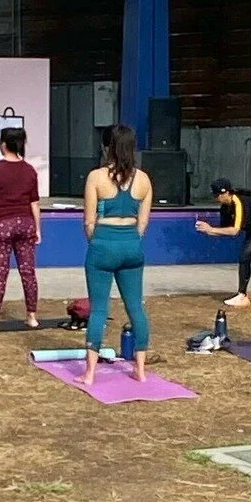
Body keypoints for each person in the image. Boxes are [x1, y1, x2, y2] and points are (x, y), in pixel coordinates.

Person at [81, 125, 152, 386]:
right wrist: (129, 241)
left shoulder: (96, 177)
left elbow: (89, 222)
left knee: (99, 309)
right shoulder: (144, 179)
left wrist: (99, 242)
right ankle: (141, 371)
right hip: (132, 245)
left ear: (107, 147)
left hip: (103, 244)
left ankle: (89, 373)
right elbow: (143, 224)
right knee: (136, 308)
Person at [0, 125, 43, 331]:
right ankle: (32, 316)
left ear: (3, 145)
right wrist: (37, 228)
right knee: (28, 271)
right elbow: (34, 203)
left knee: (0, 272)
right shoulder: (30, 170)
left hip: (1, 225)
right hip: (25, 224)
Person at [195, 177, 251, 307]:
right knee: (244, 257)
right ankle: (242, 295)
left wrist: (211, 229)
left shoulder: (238, 203)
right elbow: (226, 230)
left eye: (218, 195)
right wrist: (209, 231)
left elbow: (234, 231)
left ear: (226, 192)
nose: (216, 198)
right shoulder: (225, 209)